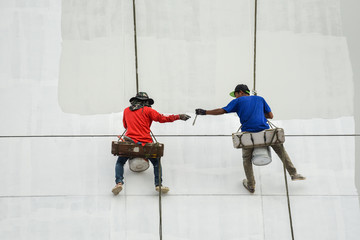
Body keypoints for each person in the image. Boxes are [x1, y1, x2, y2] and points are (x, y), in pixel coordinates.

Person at [195, 84, 305, 193]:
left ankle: (251, 185)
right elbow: (270, 116)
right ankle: (294, 174)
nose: (236, 97)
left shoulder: (238, 101)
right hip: (265, 134)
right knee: (281, 151)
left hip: (249, 136)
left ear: (241, 92)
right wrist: (259, 115)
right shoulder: (260, 99)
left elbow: (222, 111)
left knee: (246, 159)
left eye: (236, 94)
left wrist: (205, 112)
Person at [112, 92, 191, 195]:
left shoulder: (127, 110)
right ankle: (158, 185)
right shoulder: (148, 110)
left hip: (129, 143)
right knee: (156, 163)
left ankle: (119, 183)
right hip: (146, 144)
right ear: (145, 101)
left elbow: (125, 125)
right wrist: (179, 116)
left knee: (120, 162)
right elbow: (162, 118)